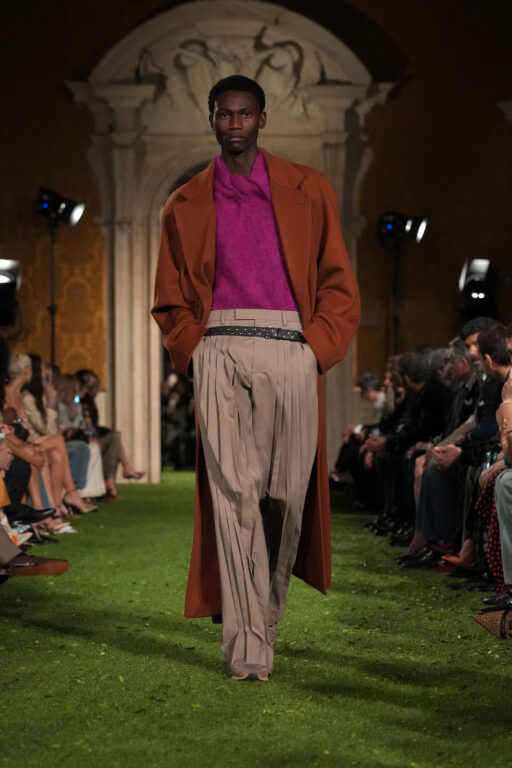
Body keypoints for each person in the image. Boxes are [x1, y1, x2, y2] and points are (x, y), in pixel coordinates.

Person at [152, 75, 360, 681]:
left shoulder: (308, 189)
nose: (235, 124)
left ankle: (261, 616)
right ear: (212, 119)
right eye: (225, 114)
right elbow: (170, 297)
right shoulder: (184, 202)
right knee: (234, 496)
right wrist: (196, 353)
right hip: (219, 346)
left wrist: (314, 350)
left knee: (286, 494)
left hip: (292, 346)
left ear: (262, 119)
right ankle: (247, 642)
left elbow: (338, 283)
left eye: (245, 114)